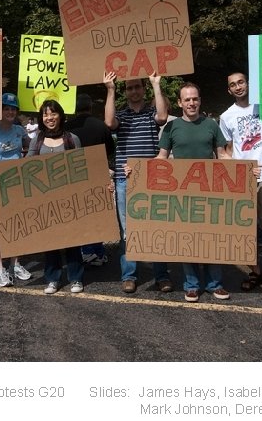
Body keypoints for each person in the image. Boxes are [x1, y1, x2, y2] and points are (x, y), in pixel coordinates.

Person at [156, 82, 230, 302]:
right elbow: (161, 157)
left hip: (210, 190)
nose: (191, 103)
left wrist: (245, 170)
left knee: (211, 237)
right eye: (187, 99)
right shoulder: (171, 127)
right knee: (186, 238)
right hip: (182, 192)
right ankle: (191, 285)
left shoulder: (211, 125)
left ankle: (215, 284)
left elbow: (222, 156)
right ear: (179, 103)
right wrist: (136, 170)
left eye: (195, 99)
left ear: (200, 100)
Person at [219, 72, 262, 294]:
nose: (238, 87)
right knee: (245, 230)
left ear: (247, 84)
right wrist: (241, 170)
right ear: (229, 90)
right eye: (233, 85)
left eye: (241, 82)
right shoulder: (226, 116)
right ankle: (256, 272)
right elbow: (227, 151)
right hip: (242, 181)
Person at [104, 71, 170, 294]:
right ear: (126, 92)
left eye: (137, 87)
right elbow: (109, 122)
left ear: (143, 89)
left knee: (156, 227)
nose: (134, 91)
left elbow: (162, 117)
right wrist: (111, 90)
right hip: (125, 180)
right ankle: (129, 275)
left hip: (152, 179)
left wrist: (156, 85)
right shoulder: (121, 115)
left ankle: (161, 276)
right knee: (128, 231)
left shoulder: (152, 112)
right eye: (130, 88)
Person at [27, 99, 84, 293]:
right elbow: (26, 167)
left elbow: (81, 167)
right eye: (45, 114)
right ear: (41, 118)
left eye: (53, 113)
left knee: (73, 239)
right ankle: (53, 278)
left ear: (60, 115)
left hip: (69, 198)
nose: (49, 118)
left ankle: (75, 278)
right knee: (50, 240)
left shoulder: (72, 139)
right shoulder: (38, 140)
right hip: (45, 199)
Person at [0, 93, 32, 286]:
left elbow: (33, 149)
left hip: (17, 184)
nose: (10, 112)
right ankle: (0, 269)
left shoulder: (20, 131)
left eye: (13, 108)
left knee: (17, 224)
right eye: (6, 108)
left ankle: (15, 264)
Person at [65, 93, 115, 266]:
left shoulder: (66, 127)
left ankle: (86, 251)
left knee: (80, 214)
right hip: (97, 172)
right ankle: (98, 251)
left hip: (75, 174)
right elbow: (110, 149)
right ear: (91, 107)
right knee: (97, 214)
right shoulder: (101, 126)